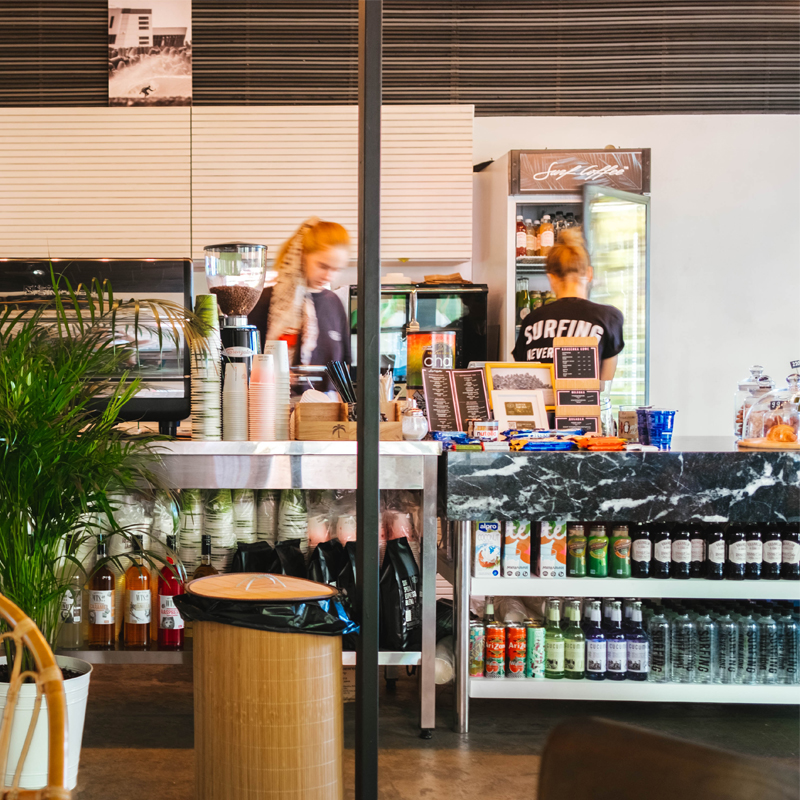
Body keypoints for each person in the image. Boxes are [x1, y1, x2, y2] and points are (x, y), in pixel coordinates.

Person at [249, 218, 351, 393]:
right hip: (274, 403)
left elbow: (344, 366)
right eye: (323, 266)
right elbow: (245, 361)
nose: (329, 276)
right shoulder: (265, 300)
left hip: (328, 406)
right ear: (302, 256)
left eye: (336, 269)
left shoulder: (334, 303)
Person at [512, 227, 624, 384]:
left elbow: (523, 378)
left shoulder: (532, 320)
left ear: (551, 278)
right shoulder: (609, 318)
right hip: (584, 400)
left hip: (541, 401)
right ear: (589, 274)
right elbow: (603, 386)